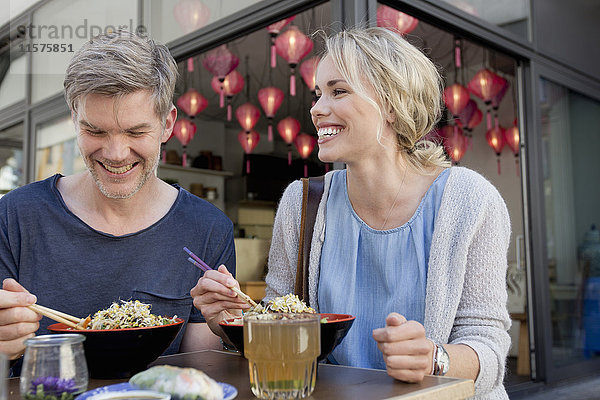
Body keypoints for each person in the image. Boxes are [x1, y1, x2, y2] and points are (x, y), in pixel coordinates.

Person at [193, 27, 511, 399]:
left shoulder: (470, 200)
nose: (316, 108)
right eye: (317, 94)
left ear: (393, 104)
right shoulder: (301, 203)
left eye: (338, 91)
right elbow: (278, 322)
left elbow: (488, 345)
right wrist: (229, 322)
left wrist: (433, 359)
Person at [0, 31, 237, 366]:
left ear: (167, 124)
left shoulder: (208, 229)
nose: (115, 153)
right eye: (95, 131)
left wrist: (229, 330)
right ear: (74, 118)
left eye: (135, 132)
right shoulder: (15, 216)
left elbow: (198, 370)